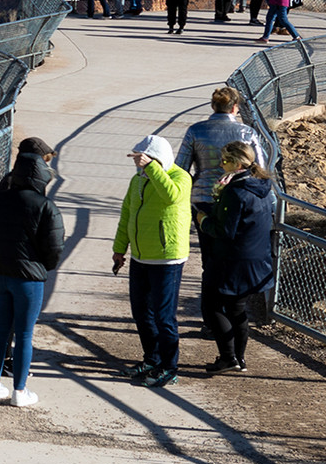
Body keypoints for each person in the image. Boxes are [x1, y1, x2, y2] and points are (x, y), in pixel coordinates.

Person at [0, 138, 64, 407]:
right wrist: (38, 263)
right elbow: (55, 248)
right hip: (29, 279)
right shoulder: (45, 206)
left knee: (0, 330)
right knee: (24, 334)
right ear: (42, 175)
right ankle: (20, 391)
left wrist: (0, 249)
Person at [113, 134, 192, 387]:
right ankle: (152, 359)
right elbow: (127, 213)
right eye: (137, 159)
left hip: (167, 258)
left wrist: (152, 168)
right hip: (140, 256)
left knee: (164, 315)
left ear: (159, 159)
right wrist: (119, 249)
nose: (139, 164)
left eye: (143, 159)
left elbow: (171, 196)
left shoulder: (180, 177)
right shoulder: (138, 180)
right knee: (141, 312)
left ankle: (170, 367)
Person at [200, 140, 275, 374]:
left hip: (231, 261)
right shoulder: (261, 186)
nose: (220, 165)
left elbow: (225, 230)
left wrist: (204, 220)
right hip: (256, 259)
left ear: (236, 163)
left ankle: (228, 357)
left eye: (224, 161)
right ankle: (239, 359)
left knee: (212, 306)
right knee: (237, 309)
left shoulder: (235, 191)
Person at [175, 87, 266, 233]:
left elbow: (180, 168)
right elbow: (261, 169)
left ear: (213, 106)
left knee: (208, 246)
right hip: (238, 196)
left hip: (202, 199)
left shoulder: (195, 131)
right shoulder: (248, 132)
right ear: (235, 107)